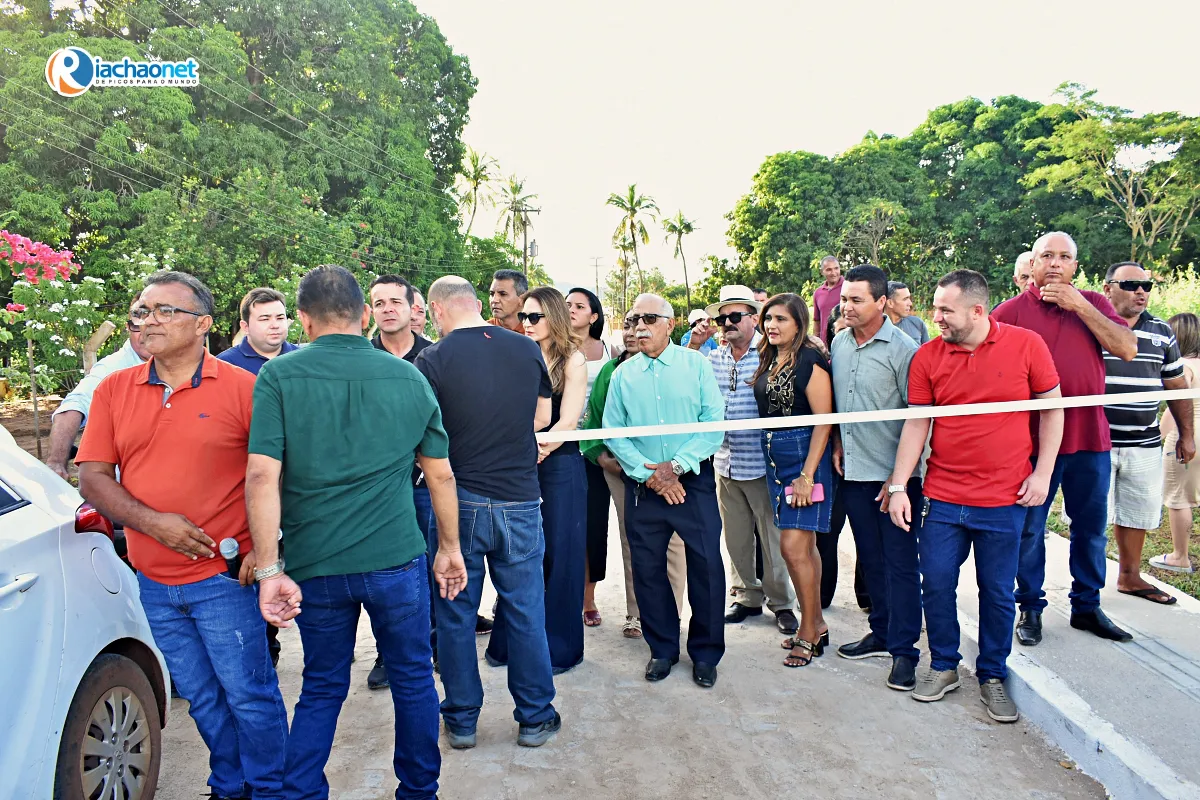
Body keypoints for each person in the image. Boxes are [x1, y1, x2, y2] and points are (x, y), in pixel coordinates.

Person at [242, 265, 464, 798]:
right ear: (365, 315)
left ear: (303, 319)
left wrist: (269, 568)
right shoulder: (408, 377)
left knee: (321, 685)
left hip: (315, 564)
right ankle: (419, 791)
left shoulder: (279, 376)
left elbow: (262, 476)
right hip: (395, 559)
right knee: (413, 677)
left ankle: (301, 793)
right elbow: (440, 475)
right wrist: (450, 548)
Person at [77, 270, 288, 799]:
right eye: (141, 311)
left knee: (249, 696)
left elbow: (282, 474)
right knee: (202, 699)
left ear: (202, 324)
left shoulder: (245, 388)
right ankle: (230, 784)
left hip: (226, 579)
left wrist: (269, 548)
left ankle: (269, 788)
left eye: (164, 310)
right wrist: (153, 523)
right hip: (153, 582)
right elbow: (93, 477)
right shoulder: (113, 389)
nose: (148, 320)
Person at [888, 269, 1063, 723]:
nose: (936, 317)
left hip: (1005, 498)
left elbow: (1053, 410)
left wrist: (1043, 474)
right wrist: (899, 485)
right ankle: (944, 665)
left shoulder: (1027, 346)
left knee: (998, 592)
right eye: (935, 308)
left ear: (977, 311)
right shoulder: (927, 357)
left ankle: (992, 675)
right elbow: (917, 423)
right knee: (936, 584)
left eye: (945, 310)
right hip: (943, 497)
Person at [415, 275, 561, 749]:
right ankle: (535, 716)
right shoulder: (526, 348)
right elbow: (542, 418)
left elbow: (423, 433)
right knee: (525, 611)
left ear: (437, 310)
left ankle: (461, 720)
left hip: (459, 502)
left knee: (455, 612)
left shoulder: (432, 359)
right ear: (477, 304)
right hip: (520, 498)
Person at [993, 231, 1138, 646]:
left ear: (1075, 266)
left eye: (1064, 257)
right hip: (1032, 445)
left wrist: (1079, 305)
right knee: (1029, 529)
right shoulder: (1009, 312)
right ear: (1032, 264)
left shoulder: (1094, 304)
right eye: (1046, 256)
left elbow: (1126, 348)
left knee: (1091, 528)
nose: (1055, 263)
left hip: (1089, 438)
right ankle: (1030, 607)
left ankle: (1087, 605)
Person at [604, 293, 726, 688]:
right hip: (644, 486)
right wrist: (650, 475)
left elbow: (713, 423)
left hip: (692, 482)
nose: (639, 326)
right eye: (633, 319)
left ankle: (706, 654)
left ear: (670, 324)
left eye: (649, 319)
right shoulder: (624, 374)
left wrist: (675, 467)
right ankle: (662, 649)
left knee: (706, 566)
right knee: (647, 569)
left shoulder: (696, 365)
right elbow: (614, 432)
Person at [830, 264, 924, 692]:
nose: (846, 306)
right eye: (843, 298)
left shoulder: (904, 350)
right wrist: (837, 442)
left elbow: (919, 419)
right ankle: (882, 632)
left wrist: (898, 478)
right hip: (853, 474)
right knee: (870, 561)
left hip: (894, 481)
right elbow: (841, 406)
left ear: (882, 302)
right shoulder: (840, 343)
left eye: (856, 299)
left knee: (900, 566)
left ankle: (905, 652)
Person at [486, 287, 588, 674]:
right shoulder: (515, 352)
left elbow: (569, 419)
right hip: (517, 464)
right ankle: (508, 644)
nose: (526, 323)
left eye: (534, 317)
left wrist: (539, 449)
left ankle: (560, 649)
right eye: (523, 317)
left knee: (560, 555)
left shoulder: (573, 359)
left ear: (554, 317)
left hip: (559, 465)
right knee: (518, 555)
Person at [687, 285, 798, 635]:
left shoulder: (771, 353)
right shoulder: (714, 357)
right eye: (722, 319)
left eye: (735, 316)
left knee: (772, 539)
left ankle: (781, 603)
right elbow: (683, 375)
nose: (727, 324)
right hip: (725, 462)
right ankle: (747, 596)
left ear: (754, 318)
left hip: (763, 463)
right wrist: (694, 343)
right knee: (735, 538)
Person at [580, 314, 688, 638]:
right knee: (633, 540)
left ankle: (671, 616)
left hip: (671, 469)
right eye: (627, 325)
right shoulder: (611, 372)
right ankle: (637, 614)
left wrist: (672, 467)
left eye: (642, 324)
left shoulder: (679, 367)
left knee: (673, 541)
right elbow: (595, 423)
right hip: (621, 470)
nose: (632, 332)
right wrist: (605, 459)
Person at [1101, 262, 1194, 605]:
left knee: (1136, 512)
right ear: (1108, 288)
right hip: (1096, 443)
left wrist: (1187, 434)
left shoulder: (1161, 331)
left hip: (1144, 442)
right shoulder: (1092, 324)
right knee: (1091, 518)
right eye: (1130, 284)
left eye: (1147, 285)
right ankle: (1085, 589)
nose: (1141, 291)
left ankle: (1129, 577)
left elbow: (1176, 386)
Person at [752, 293, 834, 668]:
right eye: (768, 318)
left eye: (781, 319)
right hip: (775, 460)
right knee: (805, 549)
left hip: (803, 460)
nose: (772, 325)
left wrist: (807, 475)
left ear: (799, 324)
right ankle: (816, 624)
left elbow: (824, 421)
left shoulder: (810, 361)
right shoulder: (769, 358)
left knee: (793, 549)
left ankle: (808, 632)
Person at [363, 274, 436, 691]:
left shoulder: (435, 355)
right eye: (379, 303)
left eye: (396, 301)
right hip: (377, 491)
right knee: (382, 575)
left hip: (426, 485)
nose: (388, 309)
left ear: (413, 308)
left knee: (432, 567)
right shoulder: (362, 357)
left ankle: (434, 645)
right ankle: (386, 653)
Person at [45, 298, 149, 480]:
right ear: (128, 327)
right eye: (136, 327)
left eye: (150, 326)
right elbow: (75, 405)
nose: (145, 334)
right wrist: (56, 463)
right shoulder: (114, 368)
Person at [567, 287, 613, 627]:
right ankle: (561, 594)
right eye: (567, 304)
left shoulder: (610, 351)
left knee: (595, 526)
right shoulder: (554, 346)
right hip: (562, 445)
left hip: (596, 450)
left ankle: (588, 597)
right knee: (562, 524)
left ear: (593, 316)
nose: (571, 309)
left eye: (579, 306)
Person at [1156, 313, 1200, 574]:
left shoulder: (1183, 367)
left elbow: (1177, 408)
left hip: (1188, 435)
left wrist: (1157, 438)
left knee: (1179, 497)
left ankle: (1179, 556)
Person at [217, 287, 299, 372]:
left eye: (280, 318)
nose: (275, 325)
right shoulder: (225, 364)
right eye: (265, 319)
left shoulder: (303, 359)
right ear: (245, 327)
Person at [812, 255, 844, 346]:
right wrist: (815, 344)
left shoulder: (848, 287)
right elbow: (817, 321)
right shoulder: (818, 293)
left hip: (844, 341)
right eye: (829, 270)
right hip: (824, 345)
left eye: (836, 268)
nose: (833, 273)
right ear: (822, 271)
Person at [488, 268, 527, 333]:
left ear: (522, 299)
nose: (494, 300)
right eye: (492, 294)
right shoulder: (483, 331)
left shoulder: (534, 332)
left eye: (503, 294)